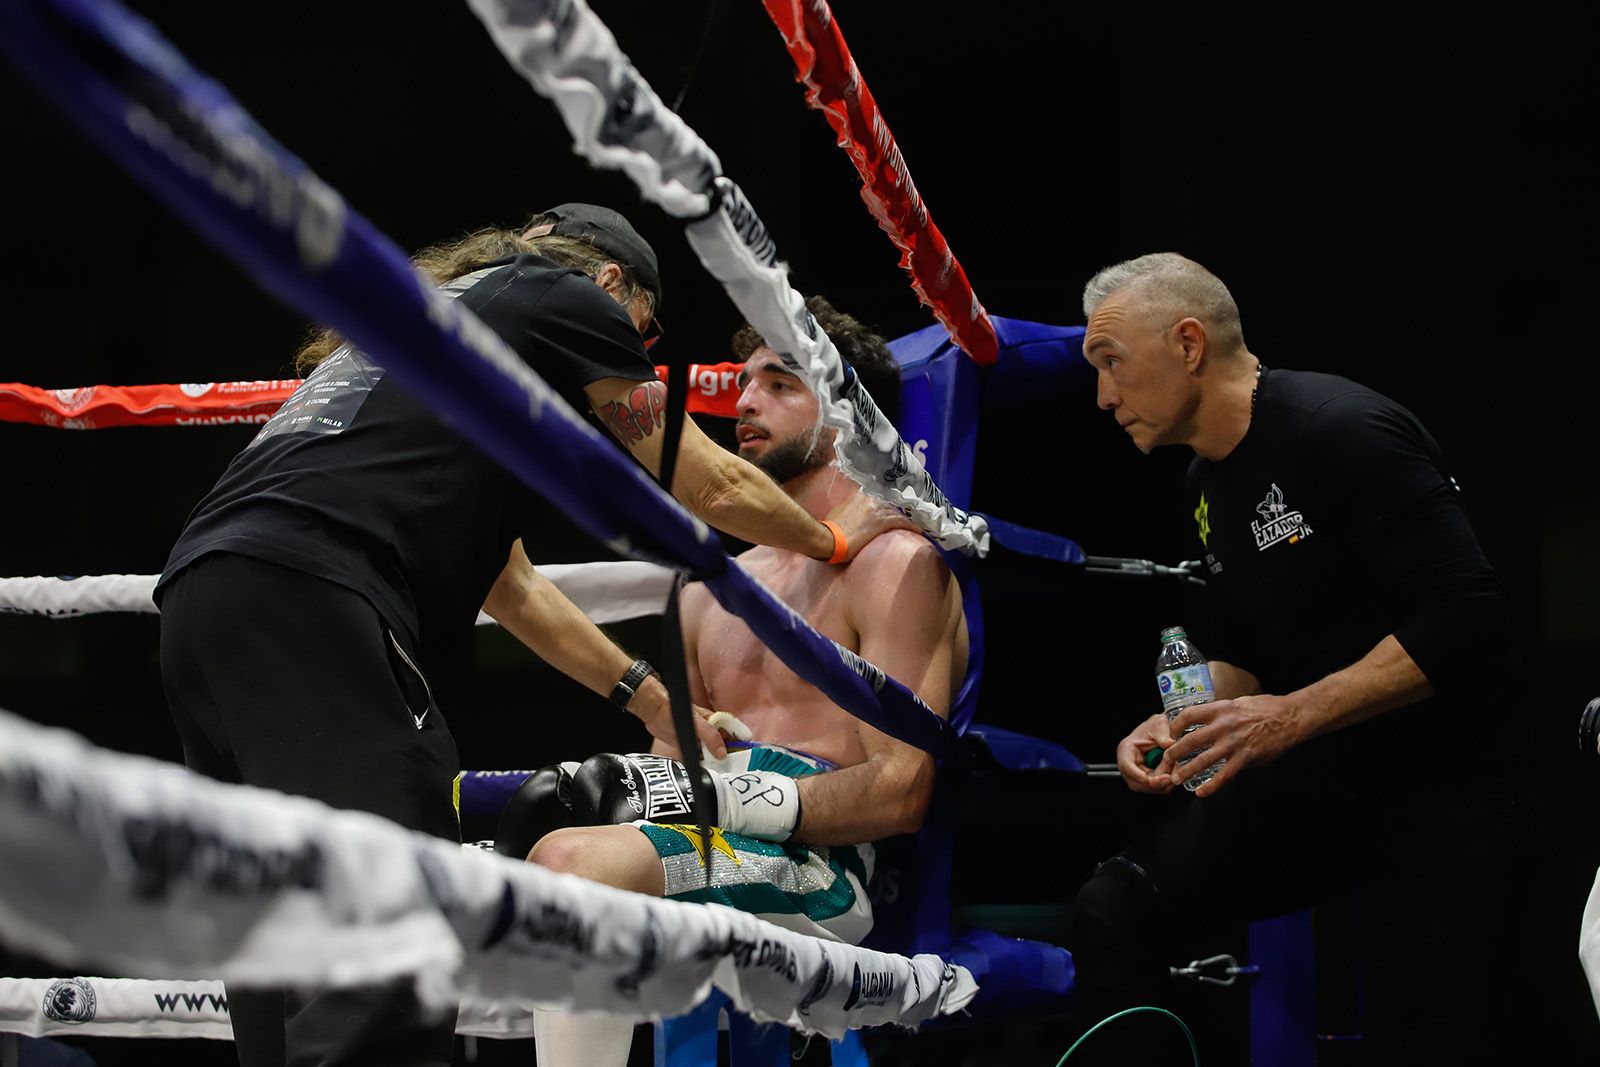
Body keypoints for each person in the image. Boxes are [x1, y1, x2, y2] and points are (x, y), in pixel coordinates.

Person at [153, 207, 908, 1067]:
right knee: (391, 922)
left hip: (202, 595)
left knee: (275, 926)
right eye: (644, 333)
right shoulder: (564, 298)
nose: (633, 354)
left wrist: (653, 695)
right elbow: (711, 483)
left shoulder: (433, 327)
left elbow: (511, 586)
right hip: (315, 596)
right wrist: (845, 534)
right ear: (613, 285)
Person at [1065, 253, 1533, 1065]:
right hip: (1329, 782)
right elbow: (1247, 649)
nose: (1104, 397)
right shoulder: (1204, 484)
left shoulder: (1338, 428)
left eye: (1112, 362)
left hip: (1453, 784)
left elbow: (1470, 615)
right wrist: (1183, 716)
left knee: (1430, 1033)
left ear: (1186, 344)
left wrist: (1288, 714)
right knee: (1116, 906)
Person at [510, 296, 969, 1066]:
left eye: (781, 383)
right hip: (710, 835)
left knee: (573, 865)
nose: (747, 402)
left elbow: (901, 790)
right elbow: (667, 769)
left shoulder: (893, 564)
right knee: (490, 875)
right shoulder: (708, 590)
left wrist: (735, 798)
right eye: (745, 383)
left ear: (848, 414)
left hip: (823, 870)